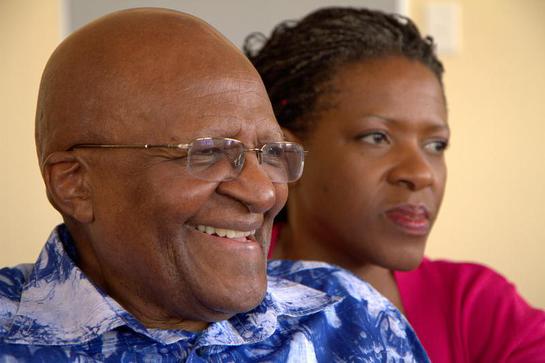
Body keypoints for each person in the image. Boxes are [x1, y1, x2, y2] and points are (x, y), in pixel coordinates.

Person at [0, 8, 430, 362]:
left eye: (270, 153)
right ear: (75, 184)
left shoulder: (347, 315)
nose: (265, 193)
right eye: (206, 152)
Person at [244, 6, 545, 362]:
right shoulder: (215, 289)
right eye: (377, 137)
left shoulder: (476, 307)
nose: (421, 174)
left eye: (436, 145)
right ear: (284, 157)